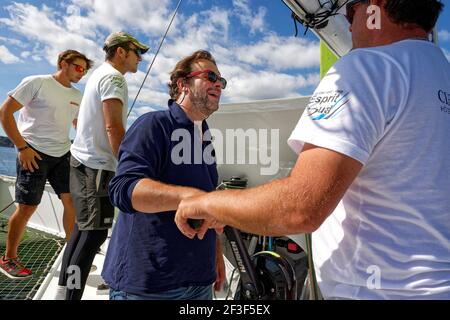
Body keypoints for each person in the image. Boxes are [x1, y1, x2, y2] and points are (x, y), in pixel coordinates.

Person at [174, 0, 450, 299]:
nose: (347, 22)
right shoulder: (440, 73)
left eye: (350, 10)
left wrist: (210, 204)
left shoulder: (369, 66)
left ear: (375, 7)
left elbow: (300, 207)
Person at [101, 50, 226, 300]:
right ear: (182, 84)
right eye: (210, 76)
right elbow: (123, 188)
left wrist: (216, 253)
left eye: (221, 82)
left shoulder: (205, 140)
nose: (218, 85)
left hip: (200, 280)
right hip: (150, 285)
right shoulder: (153, 125)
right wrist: (192, 197)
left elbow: (207, 201)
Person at [55, 31, 149, 300]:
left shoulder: (99, 75)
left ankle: (63, 294)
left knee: (83, 232)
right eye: (136, 52)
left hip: (84, 163)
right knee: (92, 237)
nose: (140, 58)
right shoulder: (113, 78)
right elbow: (113, 126)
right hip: (95, 167)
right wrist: (129, 165)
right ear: (121, 52)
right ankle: (69, 297)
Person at [0, 50, 92, 279]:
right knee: (28, 207)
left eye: (85, 70)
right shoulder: (37, 83)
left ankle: (71, 254)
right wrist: (22, 147)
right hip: (33, 152)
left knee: (71, 200)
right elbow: (5, 113)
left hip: (63, 153)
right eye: (79, 68)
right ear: (64, 63)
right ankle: (8, 258)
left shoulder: (77, 95)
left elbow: (76, 124)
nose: (82, 73)